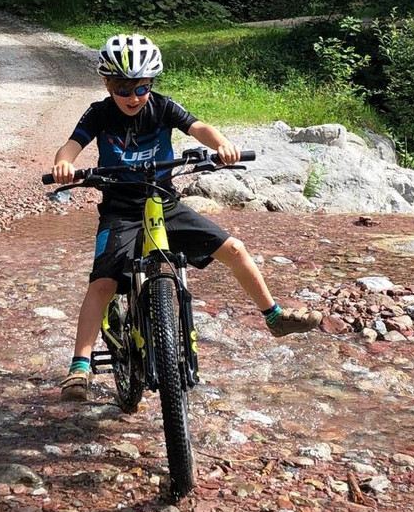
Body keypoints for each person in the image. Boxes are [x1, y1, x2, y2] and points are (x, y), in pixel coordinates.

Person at [51, 33, 323, 402]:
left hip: (165, 203)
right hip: (121, 210)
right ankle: (79, 368)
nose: (133, 97)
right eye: (122, 88)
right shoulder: (99, 112)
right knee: (102, 283)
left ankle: (273, 316)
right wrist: (64, 164)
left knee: (235, 249)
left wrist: (222, 144)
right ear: (107, 83)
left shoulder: (161, 107)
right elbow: (73, 144)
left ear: (152, 84)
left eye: (142, 87)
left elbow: (198, 128)